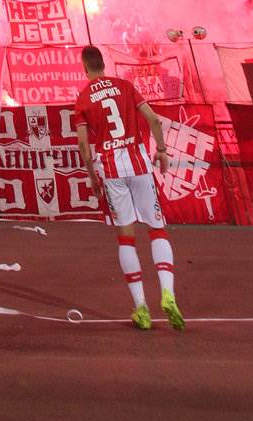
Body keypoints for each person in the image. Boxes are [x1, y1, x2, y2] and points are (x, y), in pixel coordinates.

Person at [74, 45, 184, 332]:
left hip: (111, 169)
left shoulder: (83, 98)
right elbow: (154, 119)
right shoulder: (125, 86)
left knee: (126, 237)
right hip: (138, 162)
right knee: (157, 228)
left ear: (85, 68)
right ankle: (168, 294)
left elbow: (84, 145)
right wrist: (160, 150)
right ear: (104, 64)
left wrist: (92, 176)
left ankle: (141, 308)